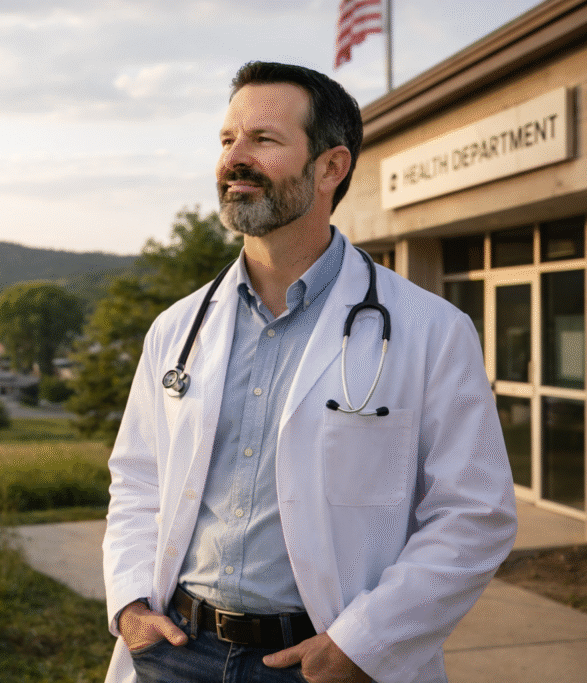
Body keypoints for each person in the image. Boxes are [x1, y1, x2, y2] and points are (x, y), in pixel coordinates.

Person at [102, 61, 517, 683]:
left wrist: (362, 644)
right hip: (174, 652)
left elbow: (474, 512)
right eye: (226, 141)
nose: (233, 159)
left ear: (331, 168)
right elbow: (138, 481)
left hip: (324, 662)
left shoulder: (429, 329)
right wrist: (132, 603)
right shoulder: (177, 329)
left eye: (263, 140)